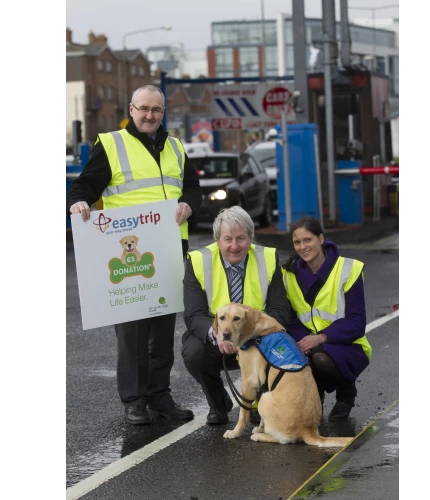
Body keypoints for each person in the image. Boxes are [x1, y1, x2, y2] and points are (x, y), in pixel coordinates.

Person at [68, 84, 202, 426]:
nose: (149, 115)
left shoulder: (175, 147)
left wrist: (189, 203)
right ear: (131, 110)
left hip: (169, 250)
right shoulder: (112, 144)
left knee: (161, 330)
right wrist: (78, 201)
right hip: (128, 254)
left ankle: (159, 397)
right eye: (143, 109)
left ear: (162, 113)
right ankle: (134, 401)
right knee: (132, 334)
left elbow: (192, 188)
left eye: (156, 110)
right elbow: (84, 185)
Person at [181, 206, 292, 425]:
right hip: (221, 338)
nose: (234, 246)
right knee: (194, 351)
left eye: (241, 238)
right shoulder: (197, 261)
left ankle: (263, 402)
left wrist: (251, 334)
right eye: (228, 239)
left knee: (278, 341)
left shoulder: (268, 258)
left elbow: (280, 311)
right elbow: (194, 314)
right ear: (217, 240)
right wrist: (219, 335)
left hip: (256, 336)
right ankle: (218, 403)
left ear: (250, 238)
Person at [281, 217, 372, 421]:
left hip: (347, 344)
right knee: (301, 355)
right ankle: (315, 397)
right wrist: (305, 341)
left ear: (321, 238)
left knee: (320, 358)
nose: (303, 247)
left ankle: (346, 392)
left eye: (308, 240)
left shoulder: (348, 269)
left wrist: (320, 338)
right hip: (307, 341)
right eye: (297, 242)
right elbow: (290, 317)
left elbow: (357, 322)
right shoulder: (288, 274)